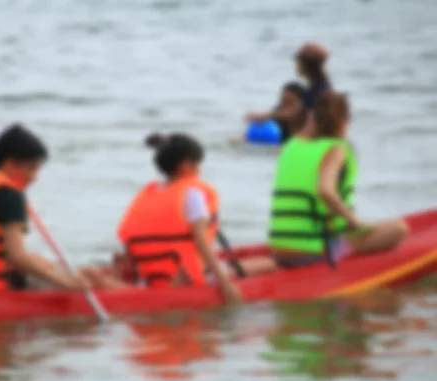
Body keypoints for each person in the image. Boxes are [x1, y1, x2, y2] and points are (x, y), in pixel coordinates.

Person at [116, 133, 274, 304]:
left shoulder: (150, 193)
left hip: (152, 278)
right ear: (186, 166)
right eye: (198, 163)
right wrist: (226, 285)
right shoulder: (193, 193)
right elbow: (201, 242)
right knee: (270, 264)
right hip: (185, 278)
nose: (200, 168)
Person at [269, 91, 408, 269]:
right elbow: (325, 190)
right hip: (314, 250)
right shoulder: (336, 149)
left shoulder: (290, 145)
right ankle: (343, 250)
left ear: (313, 119)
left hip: (280, 249)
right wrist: (354, 222)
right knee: (399, 229)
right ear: (344, 122)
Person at [0, 123, 96, 291]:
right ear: (11, 164)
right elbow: (17, 256)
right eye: (32, 169)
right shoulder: (9, 195)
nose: (34, 178)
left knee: (45, 261)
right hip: (0, 287)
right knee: (93, 277)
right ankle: (128, 298)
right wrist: (66, 283)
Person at [245, 42, 332, 139]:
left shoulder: (320, 90)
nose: (296, 64)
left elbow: (298, 113)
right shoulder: (317, 86)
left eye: (297, 60)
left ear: (306, 64)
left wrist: (265, 116)